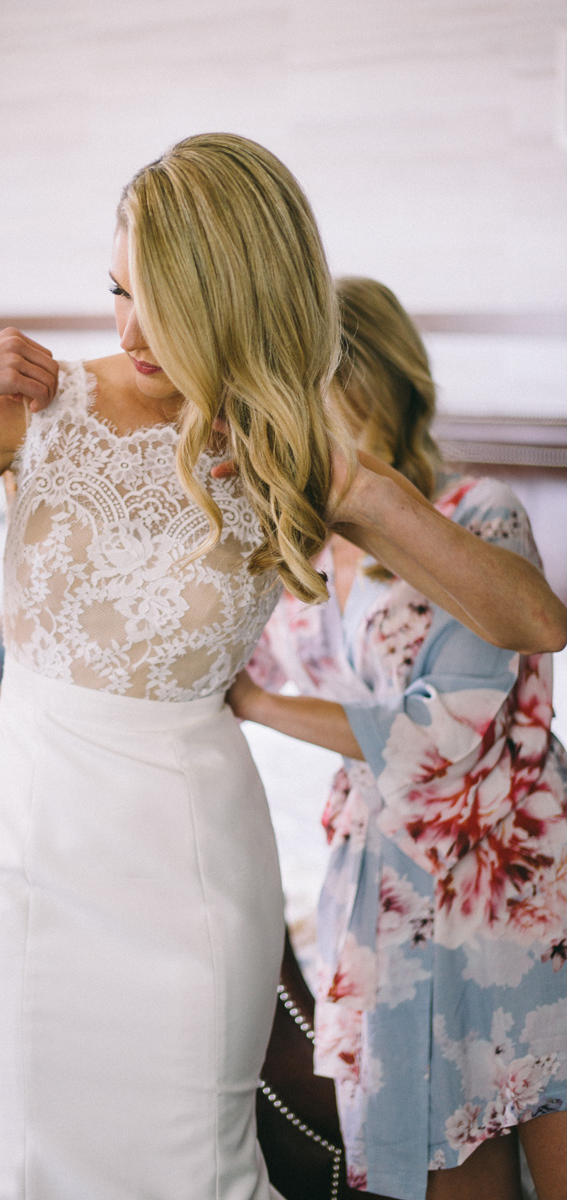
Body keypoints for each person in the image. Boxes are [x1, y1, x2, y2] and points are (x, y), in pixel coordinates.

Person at [0, 140, 567, 1200]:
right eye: (116, 291)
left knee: (185, 1163)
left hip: (195, 864)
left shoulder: (285, 451)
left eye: (160, 298)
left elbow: (531, 621)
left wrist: (369, 490)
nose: (128, 329)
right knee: (25, 1154)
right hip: (36, 847)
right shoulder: (30, 406)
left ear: (234, 294)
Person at [229, 276, 567, 1200]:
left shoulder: (477, 513)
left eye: (322, 384)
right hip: (383, 898)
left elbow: (444, 729)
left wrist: (258, 707)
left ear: (381, 383)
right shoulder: (293, 547)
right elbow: (218, 653)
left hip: (520, 896)